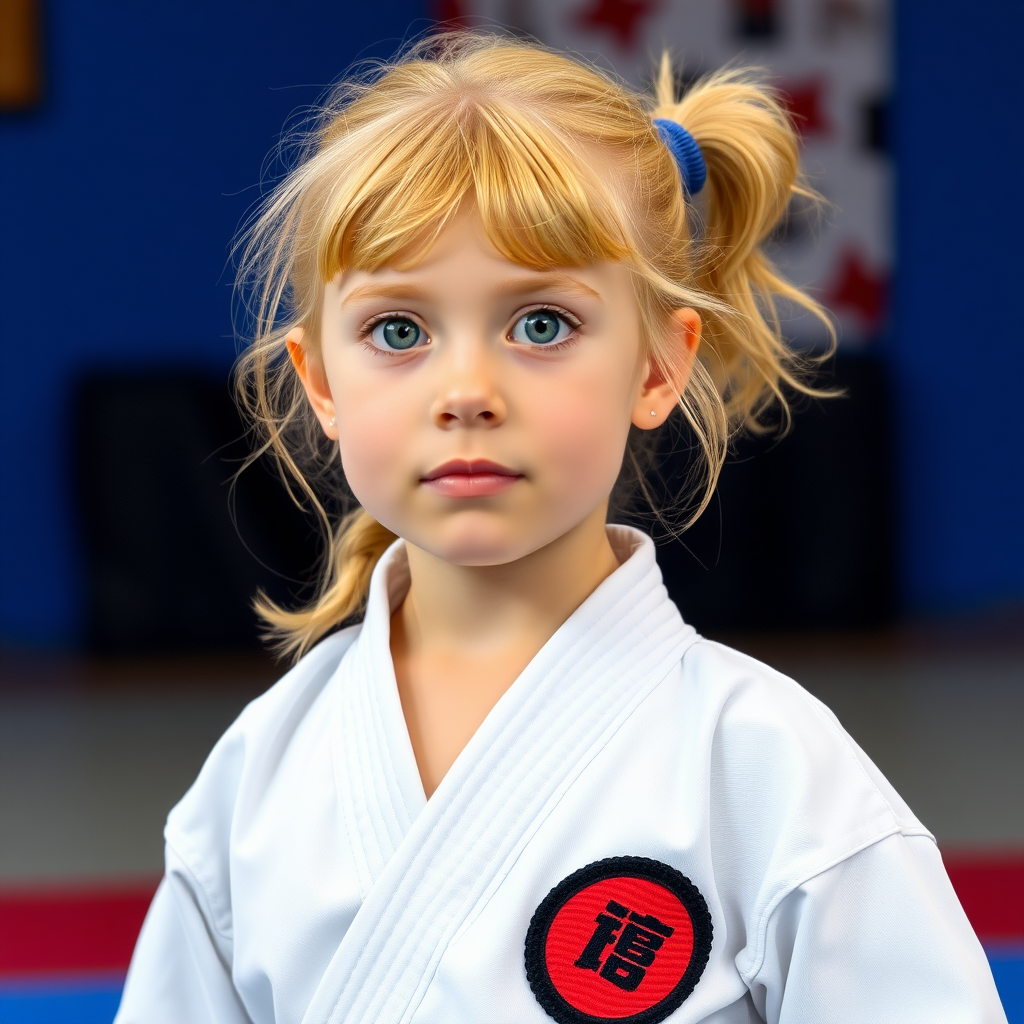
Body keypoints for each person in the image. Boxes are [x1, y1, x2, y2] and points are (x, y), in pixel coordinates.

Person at [115, 31, 1006, 1024]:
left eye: (541, 324)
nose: (465, 392)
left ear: (659, 366)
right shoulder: (257, 777)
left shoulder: (763, 766)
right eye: (397, 331)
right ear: (320, 380)